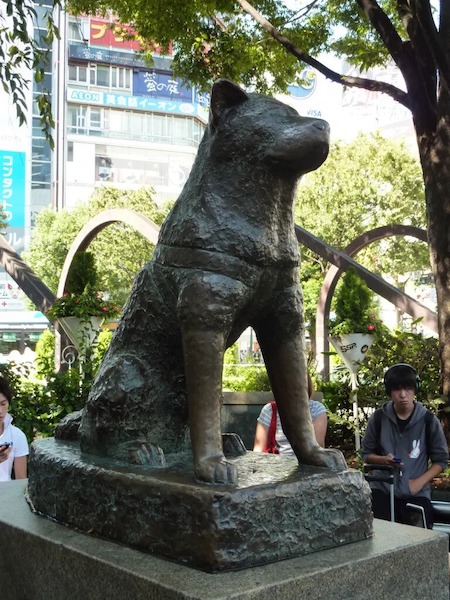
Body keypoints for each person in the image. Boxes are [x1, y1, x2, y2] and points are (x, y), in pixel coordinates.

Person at [362, 363, 449, 529]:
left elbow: (441, 460)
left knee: (418, 544)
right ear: (389, 391)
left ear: (415, 389)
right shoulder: (378, 418)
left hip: (416, 494)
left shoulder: (428, 421)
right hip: (383, 490)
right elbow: (366, 454)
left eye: (408, 388)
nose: (403, 395)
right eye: (396, 389)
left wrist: (418, 483)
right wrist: (383, 460)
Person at [253, 373, 327, 454]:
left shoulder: (316, 409)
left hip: (306, 464)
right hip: (277, 463)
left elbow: (317, 449)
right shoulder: (269, 410)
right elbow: (258, 450)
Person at [0, 376, 29, 482]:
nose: (0, 410)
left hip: (7, 494)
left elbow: (21, 481)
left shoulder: (17, 435)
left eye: (3, 404)